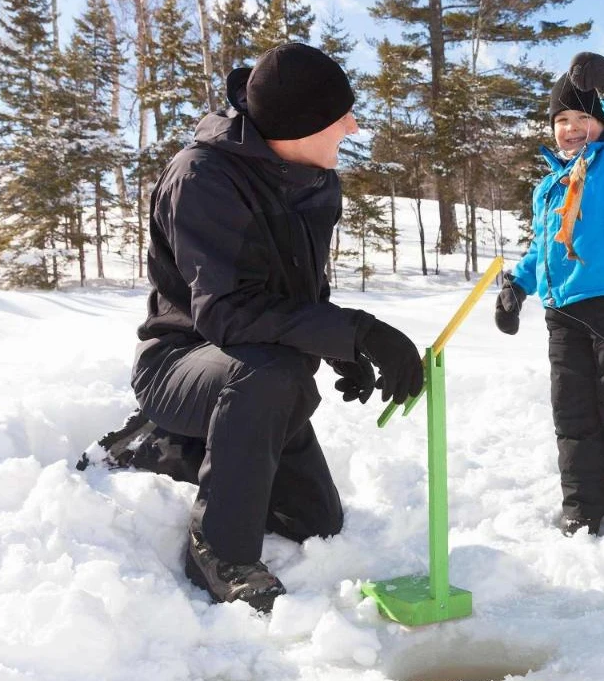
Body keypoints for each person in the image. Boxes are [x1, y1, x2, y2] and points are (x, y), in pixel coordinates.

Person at [129, 42, 425, 612]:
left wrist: (343, 352)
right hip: (183, 361)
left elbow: (301, 291)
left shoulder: (312, 177)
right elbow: (227, 313)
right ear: (299, 124)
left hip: (259, 375)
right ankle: (221, 553)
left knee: (315, 521)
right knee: (273, 374)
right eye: (340, 116)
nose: (353, 126)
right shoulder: (204, 177)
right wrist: (357, 331)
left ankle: (179, 450)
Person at [495, 51, 604, 537]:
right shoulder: (548, 185)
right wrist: (518, 284)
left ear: (602, 120)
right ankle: (582, 504)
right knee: (572, 413)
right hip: (562, 314)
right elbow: (543, 248)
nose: (570, 128)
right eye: (562, 120)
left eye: (582, 117)